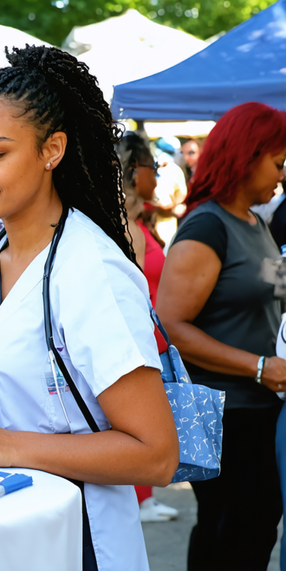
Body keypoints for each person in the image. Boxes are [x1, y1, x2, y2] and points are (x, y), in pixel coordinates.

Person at [0, 46, 178, 571]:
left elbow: (155, 455)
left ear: (52, 150)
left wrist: (7, 444)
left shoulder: (91, 271)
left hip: (76, 540)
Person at [157, 101, 286, 571]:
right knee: (231, 530)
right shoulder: (209, 225)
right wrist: (258, 366)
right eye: (277, 162)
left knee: (251, 529)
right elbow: (171, 325)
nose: (281, 174)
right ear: (247, 156)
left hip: (261, 408)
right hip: (229, 412)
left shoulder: (255, 222)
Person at [116, 131, 181, 523]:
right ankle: (140, 499)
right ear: (134, 171)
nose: (157, 175)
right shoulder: (125, 224)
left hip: (151, 338)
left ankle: (143, 498)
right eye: (151, 167)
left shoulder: (140, 218)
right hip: (140, 341)